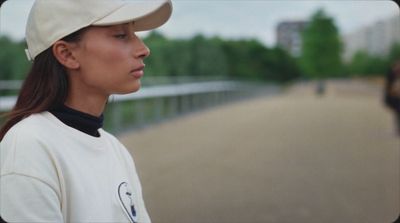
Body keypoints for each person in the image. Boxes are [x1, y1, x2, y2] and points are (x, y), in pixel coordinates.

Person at [0, 0, 172, 222]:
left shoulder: (113, 147)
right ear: (67, 54)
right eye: (121, 35)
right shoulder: (28, 147)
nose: (143, 49)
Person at [384, 60, 400, 136]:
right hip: (395, 98)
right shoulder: (391, 75)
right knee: (398, 112)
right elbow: (388, 88)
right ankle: (398, 129)